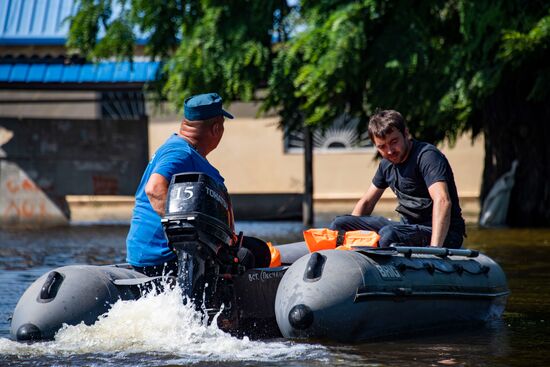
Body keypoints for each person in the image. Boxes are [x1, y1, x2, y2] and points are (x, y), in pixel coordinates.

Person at [126, 92, 233, 276]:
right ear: (216, 129)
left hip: (148, 254)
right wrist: (189, 232)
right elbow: (154, 189)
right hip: (163, 259)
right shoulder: (179, 152)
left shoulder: (180, 149)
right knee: (253, 255)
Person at [330, 110, 465, 249]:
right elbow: (366, 202)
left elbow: (442, 200)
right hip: (409, 228)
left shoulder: (427, 156)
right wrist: (351, 233)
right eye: (382, 146)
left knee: (388, 234)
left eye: (394, 142)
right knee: (339, 224)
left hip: (445, 233)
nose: (389, 151)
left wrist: (435, 250)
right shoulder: (386, 164)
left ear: (406, 133)